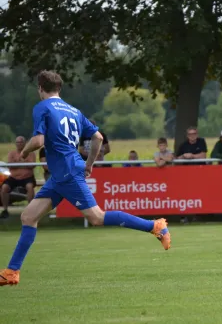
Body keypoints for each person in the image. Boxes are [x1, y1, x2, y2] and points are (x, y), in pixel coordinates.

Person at [0, 71, 171, 287]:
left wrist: (24, 152)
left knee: (97, 217)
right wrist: (89, 163)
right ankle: (12, 272)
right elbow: (98, 137)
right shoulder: (74, 111)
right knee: (28, 216)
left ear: (40, 88)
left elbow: (38, 140)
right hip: (63, 174)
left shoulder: (42, 107)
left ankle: (154, 226)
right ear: (59, 89)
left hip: (67, 172)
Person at [1, 136, 37, 218]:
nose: (19, 144)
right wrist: (24, 162)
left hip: (27, 177)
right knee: (4, 187)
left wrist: (17, 163)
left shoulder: (31, 153)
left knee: (30, 187)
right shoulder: (11, 153)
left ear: (25, 143)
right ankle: (5, 210)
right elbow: (11, 165)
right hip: (13, 178)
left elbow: (31, 165)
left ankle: (31, 210)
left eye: (21, 142)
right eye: (17, 142)